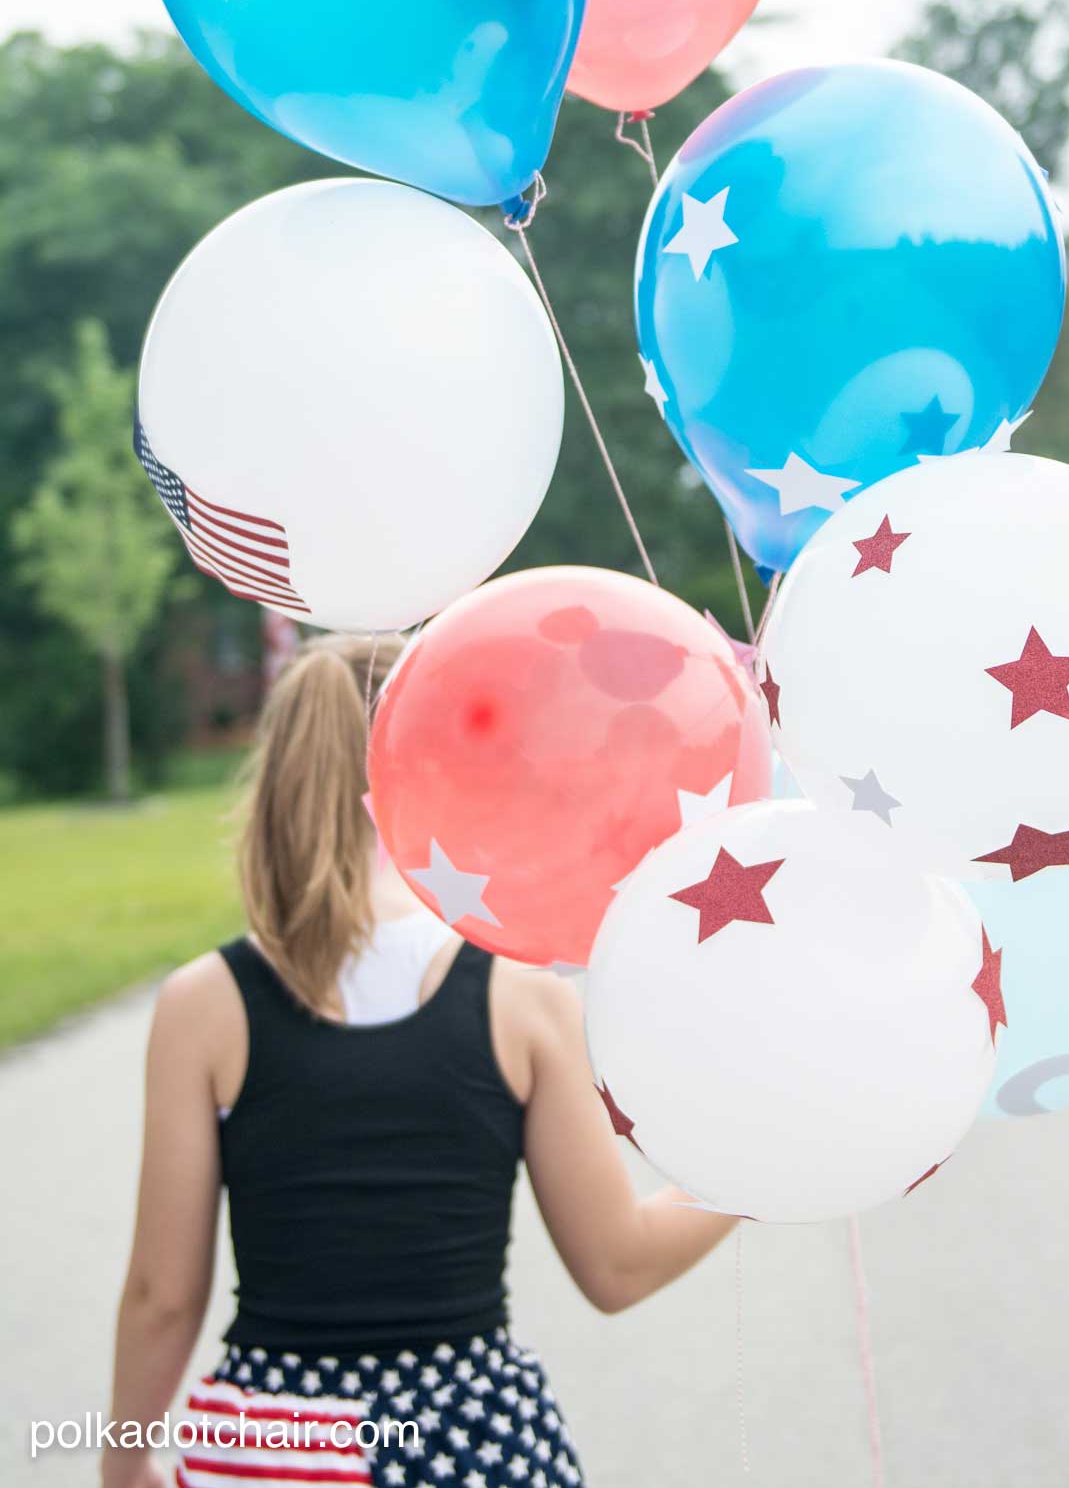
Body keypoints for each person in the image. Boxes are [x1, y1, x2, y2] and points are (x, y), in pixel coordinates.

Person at [103, 633, 735, 1488]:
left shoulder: (205, 1004)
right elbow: (617, 1265)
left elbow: (162, 1296)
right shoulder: (522, 995)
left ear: (278, 781)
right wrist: (750, 1169)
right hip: (470, 1439)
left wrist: (123, 1460)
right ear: (437, 765)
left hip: (269, 1447)